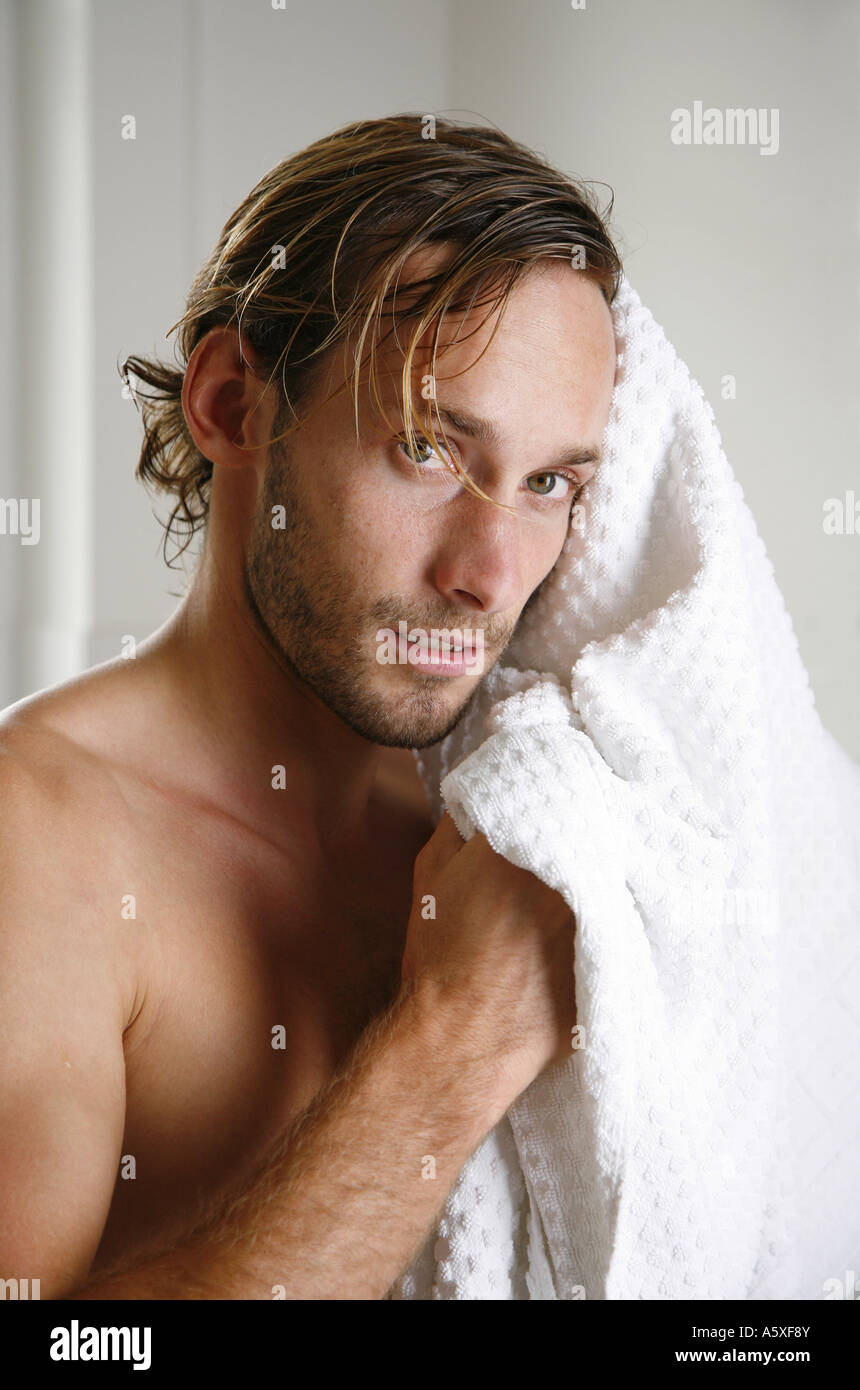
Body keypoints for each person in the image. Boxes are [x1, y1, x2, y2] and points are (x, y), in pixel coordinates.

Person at [0, 114, 619, 1299]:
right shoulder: (42, 836)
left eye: (547, 482)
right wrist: (448, 1048)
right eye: (428, 447)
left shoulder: (527, 813)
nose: (489, 572)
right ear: (233, 403)